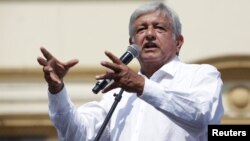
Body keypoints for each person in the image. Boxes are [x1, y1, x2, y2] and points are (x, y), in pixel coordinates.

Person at [37, 2, 224, 141]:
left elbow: (202, 117)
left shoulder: (201, 75)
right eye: (141, 29)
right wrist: (57, 90)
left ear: (178, 42)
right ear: (131, 44)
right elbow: (77, 135)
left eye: (159, 28)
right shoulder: (117, 92)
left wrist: (142, 86)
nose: (149, 34)